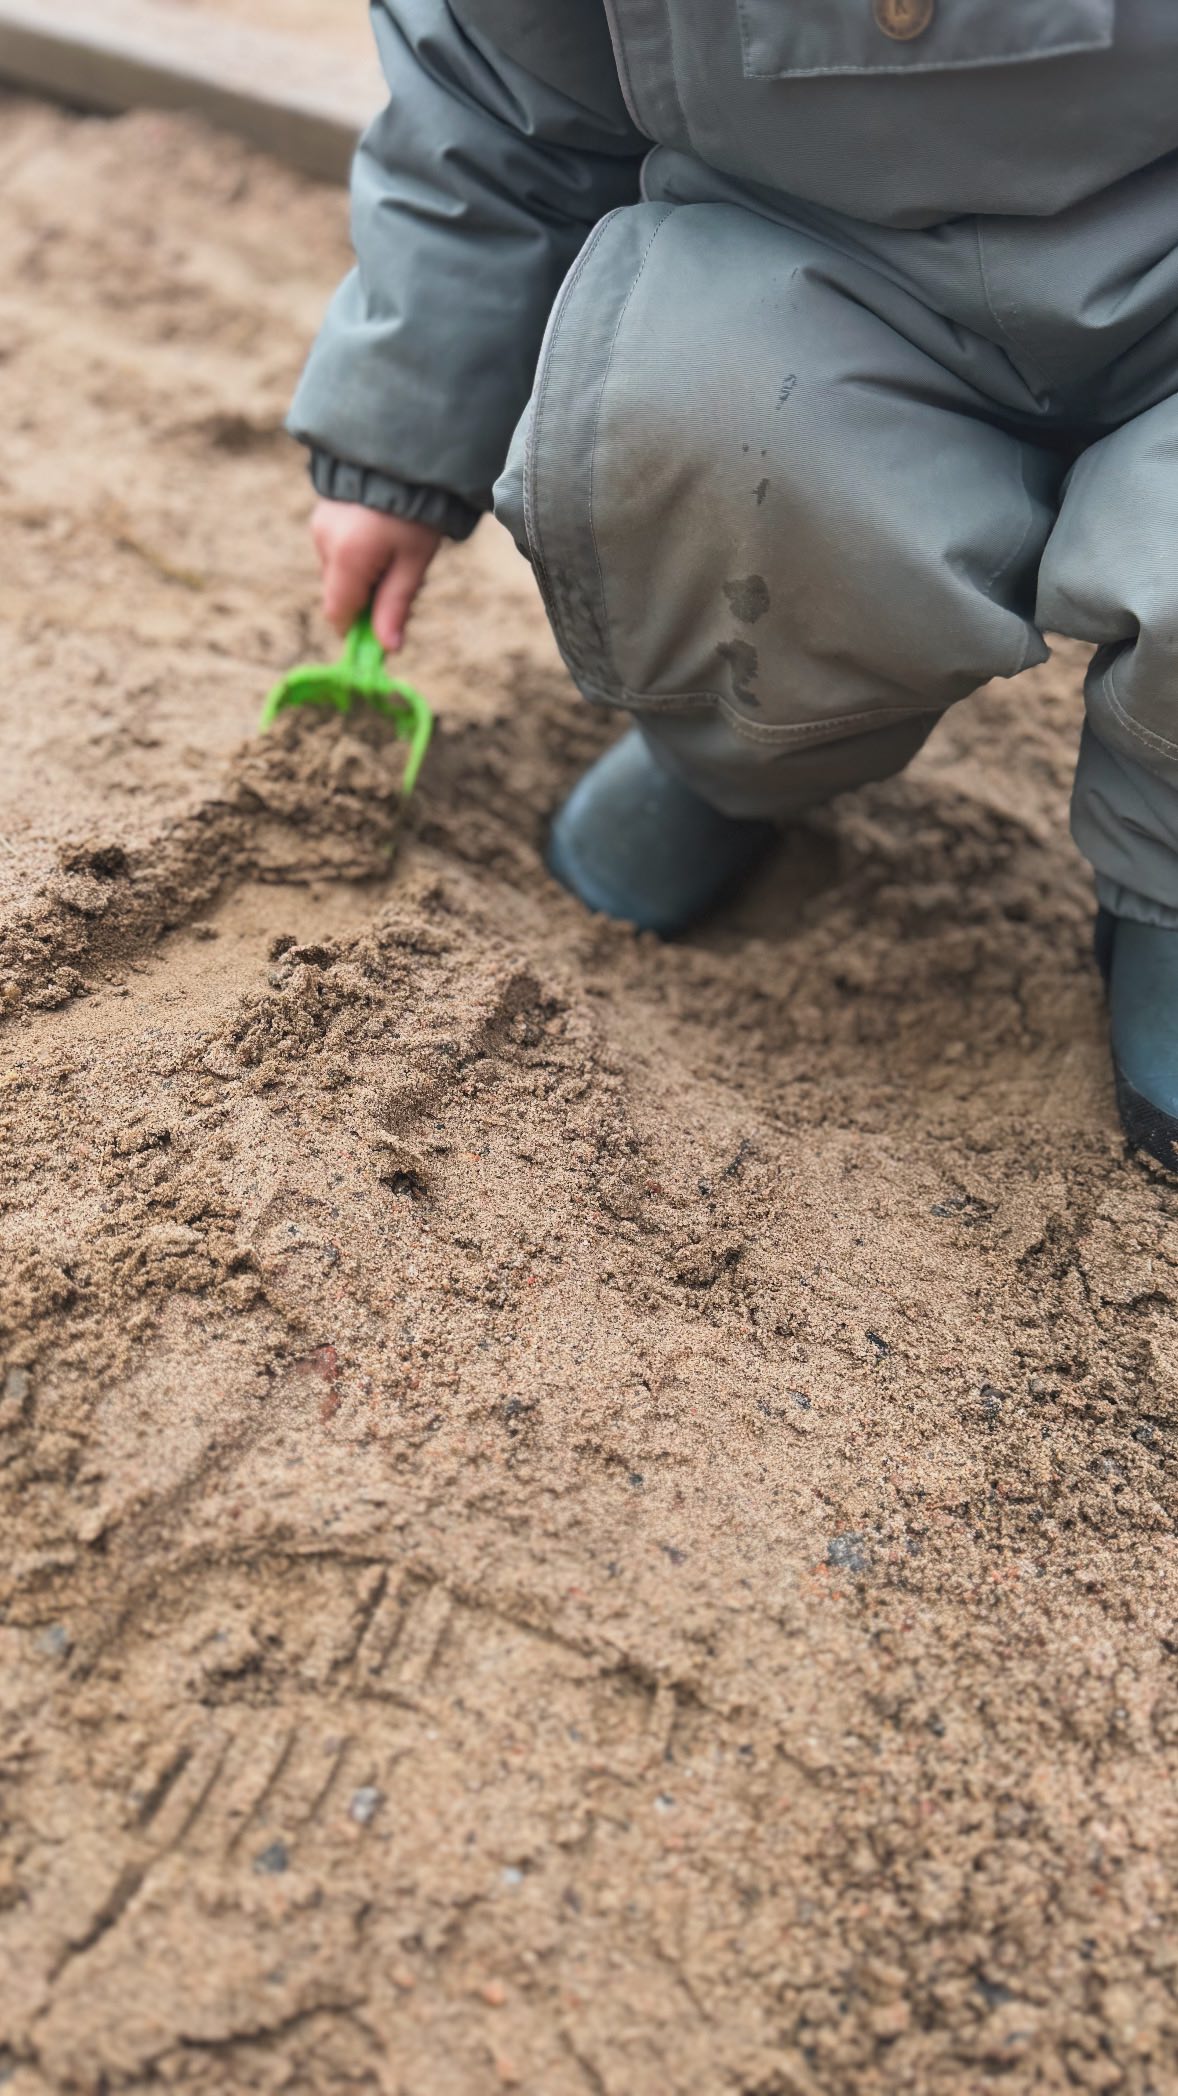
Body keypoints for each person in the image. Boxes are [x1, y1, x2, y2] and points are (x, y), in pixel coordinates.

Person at [289, 0, 1178, 1173]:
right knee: (701, 428)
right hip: (821, 250)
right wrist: (398, 438)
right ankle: (738, 750)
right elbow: (497, 99)